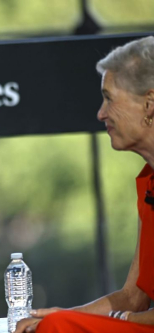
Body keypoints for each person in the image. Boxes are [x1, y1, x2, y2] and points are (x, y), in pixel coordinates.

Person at [16, 36, 154, 333]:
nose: (100, 113)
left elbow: (130, 313)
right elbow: (133, 297)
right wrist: (66, 315)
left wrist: (104, 321)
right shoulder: (149, 181)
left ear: (149, 103)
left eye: (109, 98)